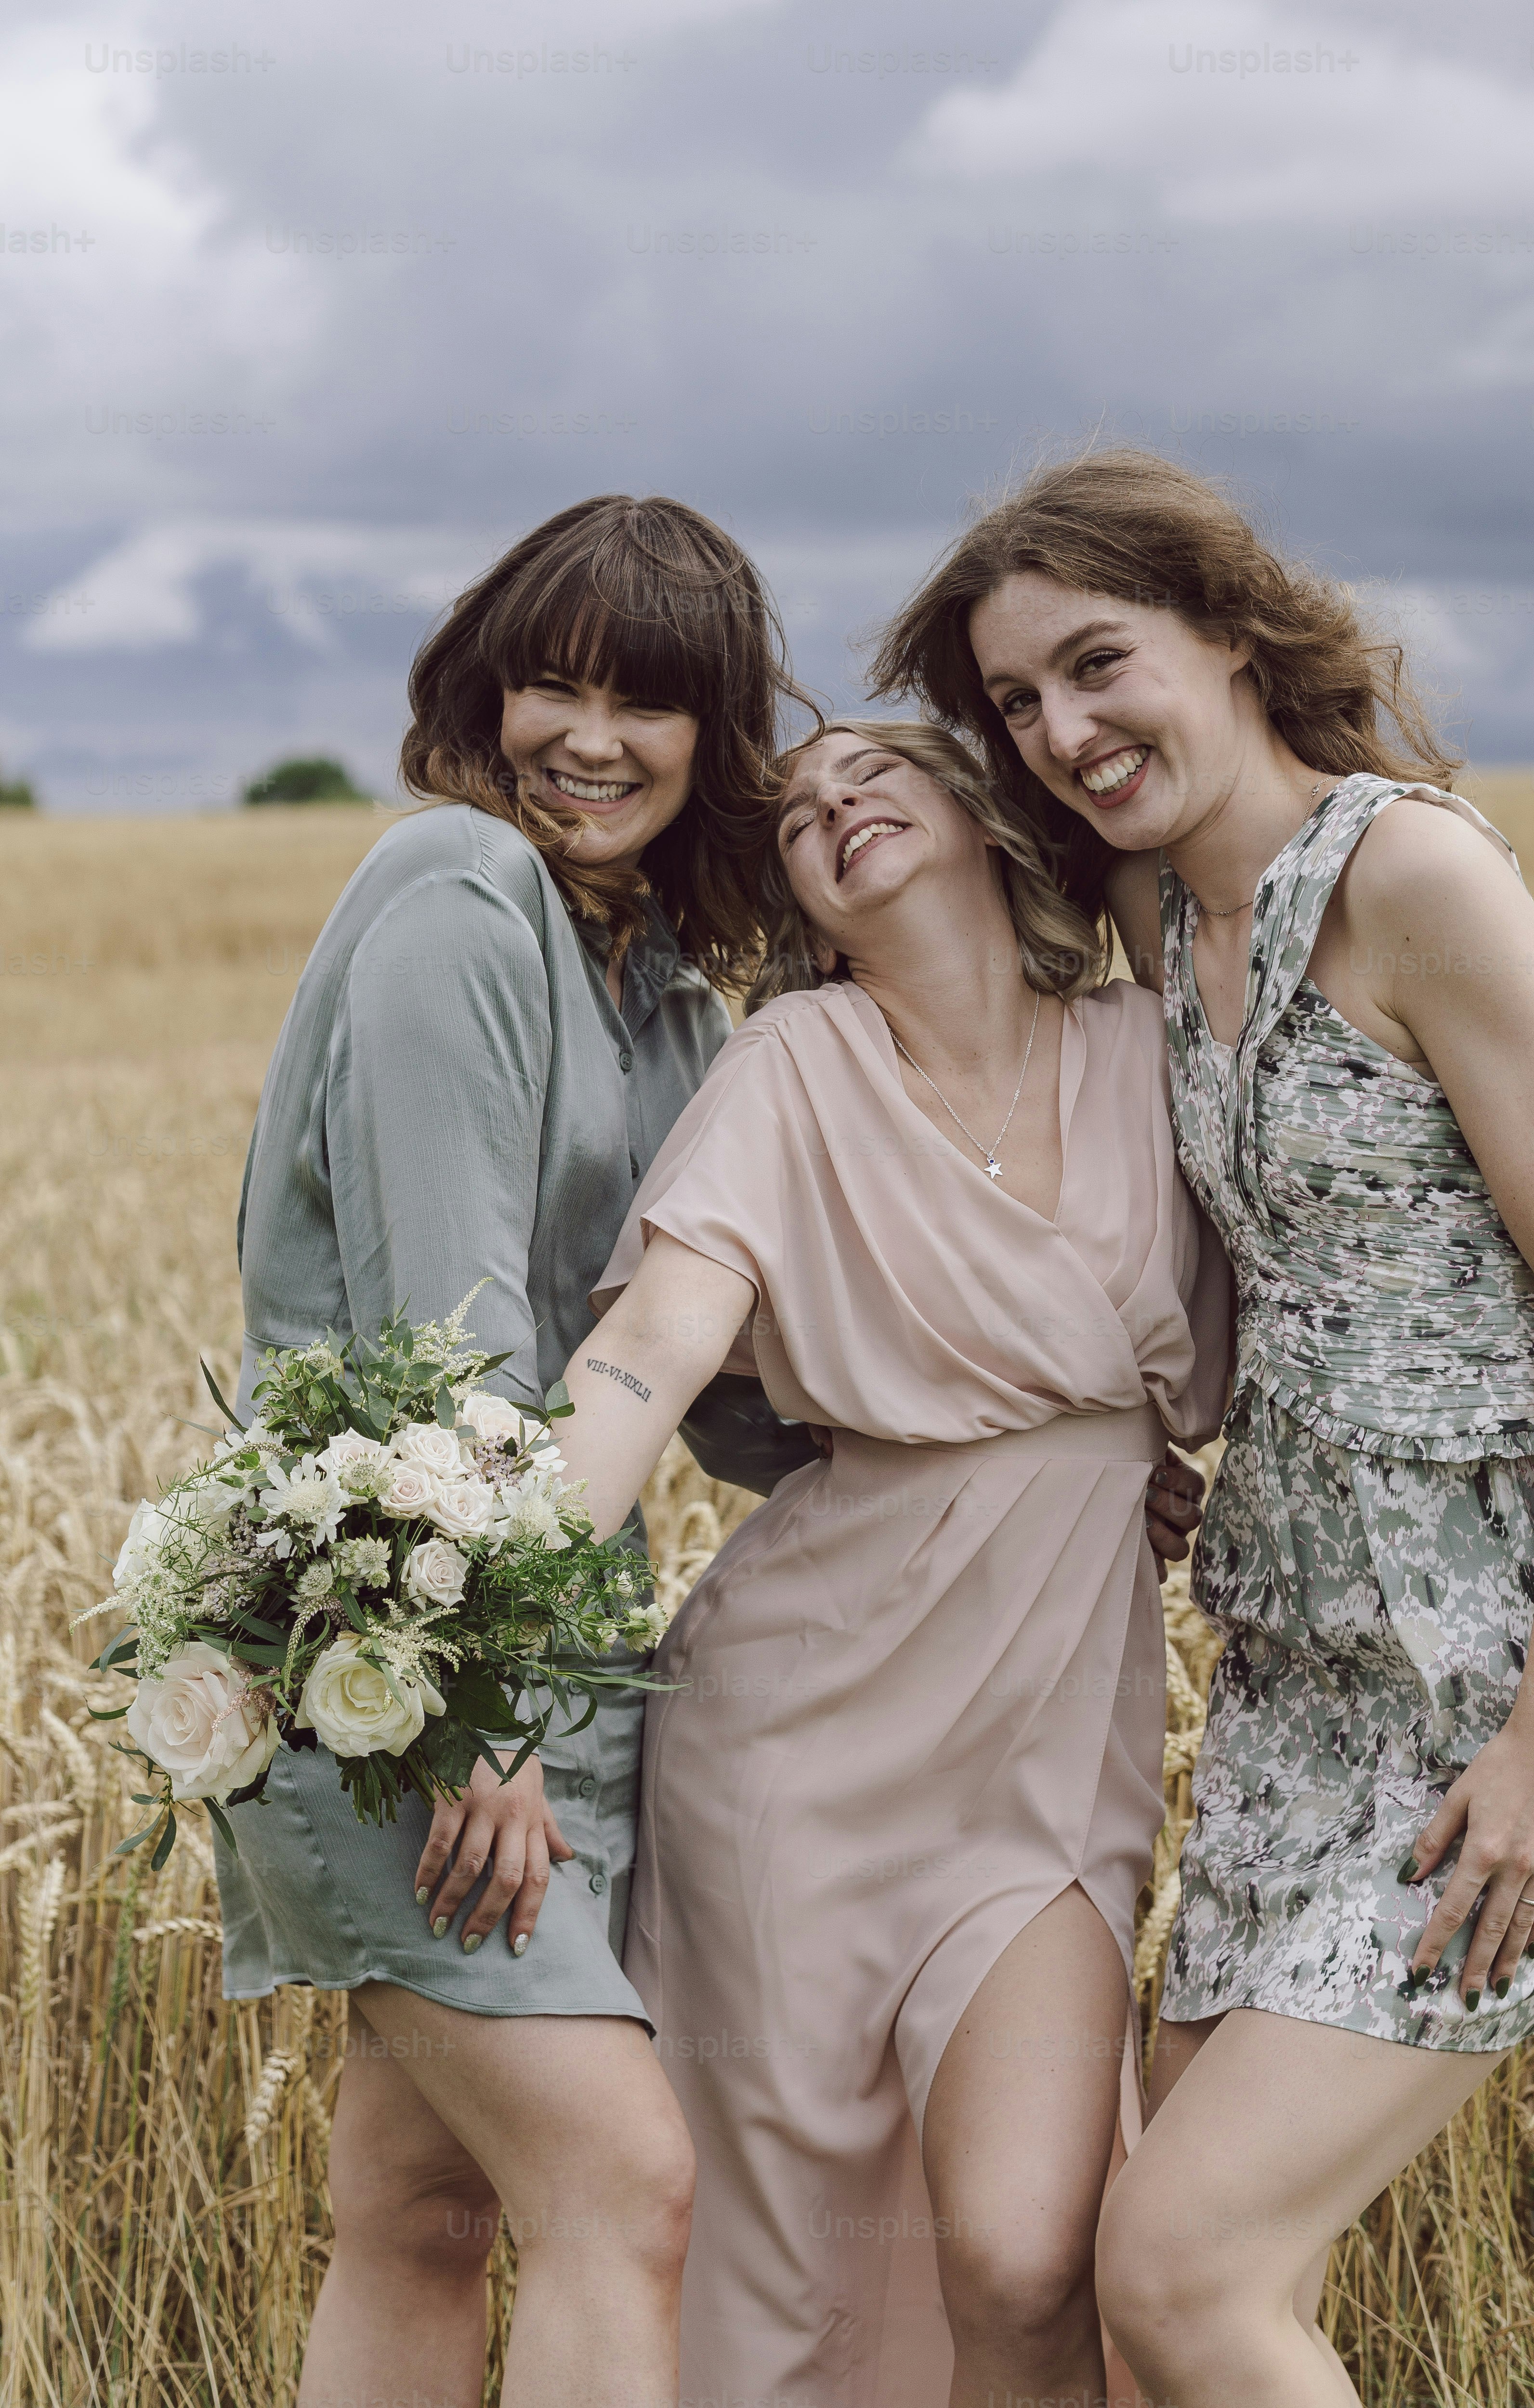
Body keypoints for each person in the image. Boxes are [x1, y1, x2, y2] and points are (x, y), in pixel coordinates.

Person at [873, 447, 1534, 2407]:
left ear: (1232, 634)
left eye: (1098, 663)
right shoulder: (1170, 913)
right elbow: (1284, 1249)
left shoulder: (1411, 875)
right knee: (1157, 2283)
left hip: (1505, 1680)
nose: (1062, 732)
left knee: (1183, 2271)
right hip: (1296, 1680)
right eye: (1016, 702)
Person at [547, 717, 1233, 2408]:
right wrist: (482, 1579)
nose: (833, 803)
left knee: (1026, 2255)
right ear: (799, 903)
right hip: (793, 1748)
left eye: (876, 770)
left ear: (984, 807)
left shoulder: (1153, 1048)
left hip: (1048, 1754)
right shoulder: (793, 1064)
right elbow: (652, 1346)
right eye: (793, 816)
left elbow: (1312, 1316)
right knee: (785, 2280)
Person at [215, 495, 821, 2408]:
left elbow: (706, 1391)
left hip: (546, 1667)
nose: (587, 734)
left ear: (714, 739)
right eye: (549, 681)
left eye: (644, 700)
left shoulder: (665, 996)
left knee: (415, 2211)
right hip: (413, 1661)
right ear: (482, 695)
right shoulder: (466, 891)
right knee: (621, 2184)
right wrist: (471, 1711)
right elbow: (440, 1338)